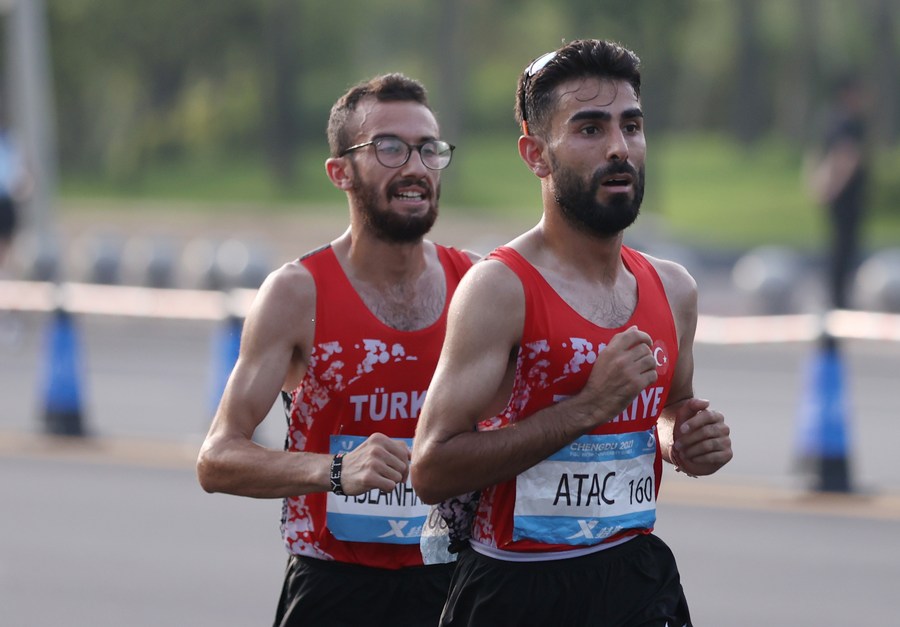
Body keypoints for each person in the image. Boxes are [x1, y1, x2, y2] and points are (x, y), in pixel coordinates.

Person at [411, 39, 733, 627]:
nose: (619, 148)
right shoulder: (500, 288)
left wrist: (686, 440)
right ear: (536, 154)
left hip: (635, 576)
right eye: (589, 129)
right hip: (517, 585)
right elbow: (431, 469)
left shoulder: (674, 288)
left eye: (631, 126)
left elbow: (667, 411)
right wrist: (586, 408)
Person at [197, 73, 477, 627]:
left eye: (428, 149)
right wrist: (336, 470)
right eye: (390, 148)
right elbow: (217, 459)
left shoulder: (475, 284)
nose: (416, 167)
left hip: (452, 579)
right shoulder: (298, 293)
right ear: (340, 172)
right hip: (336, 586)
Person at [807, 74, 870, 310]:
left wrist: (816, 185)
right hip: (846, 197)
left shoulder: (830, 119)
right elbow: (845, 157)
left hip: (836, 195)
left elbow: (817, 153)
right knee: (844, 248)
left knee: (837, 246)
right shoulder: (850, 123)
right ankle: (839, 300)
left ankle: (836, 297)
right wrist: (833, 189)